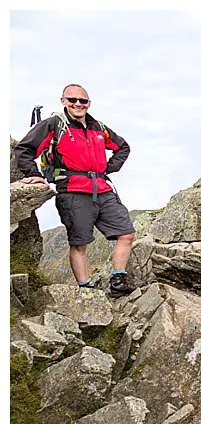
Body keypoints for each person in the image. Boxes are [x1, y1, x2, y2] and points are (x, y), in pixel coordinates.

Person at [14, 84, 137, 298]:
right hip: (72, 190)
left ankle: (118, 281)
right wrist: (33, 175)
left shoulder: (98, 127)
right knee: (79, 243)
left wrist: (109, 168)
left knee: (126, 233)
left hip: (103, 189)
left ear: (89, 103)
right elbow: (25, 148)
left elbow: (122, 147)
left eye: (83, 101)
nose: (78, 104)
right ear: (63, 101)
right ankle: (86, 292)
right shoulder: (54, 124)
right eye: (73, 100)